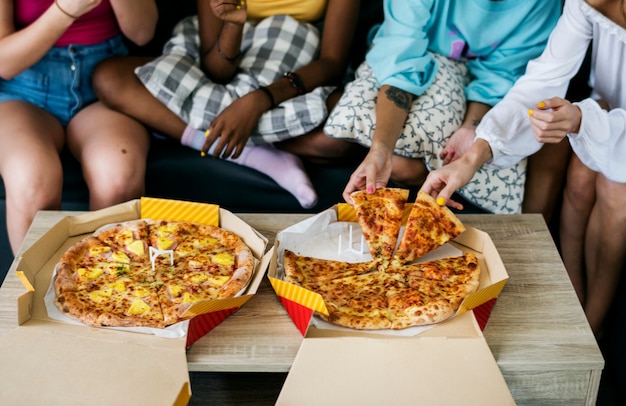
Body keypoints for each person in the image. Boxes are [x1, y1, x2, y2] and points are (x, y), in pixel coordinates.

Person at [422, 0, 626, 337]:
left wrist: (579, 119)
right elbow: (543, 81)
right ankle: (569, 301)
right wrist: (472, 157)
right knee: (578, 181)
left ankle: (593, 328)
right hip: (608, 102)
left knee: (614, 190)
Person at [284, 0, 562, 215]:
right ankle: (256, 152)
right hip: (405, 59)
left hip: (471, 82)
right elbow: (401, 58)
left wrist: (470, 127)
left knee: (409, 169)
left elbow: (499, 76)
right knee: (338, 142)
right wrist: (381, 149)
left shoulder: (540, 8)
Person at [93, 0, 361, 210]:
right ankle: (256, 153)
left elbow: (332, 64)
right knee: (109, 78)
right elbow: (217, 73)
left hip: (295, 67)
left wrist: (259, 100)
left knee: (342, 138)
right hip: (229, 63)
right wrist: (233, 26)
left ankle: (212, 133)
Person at [0, 0, 158, 255]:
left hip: (103, 83)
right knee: (31, 181)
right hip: (23, 89)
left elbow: (143, 33)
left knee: (117, 176)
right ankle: (35, 293)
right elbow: (4, 63)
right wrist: (66, 9)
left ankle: (108, 290)